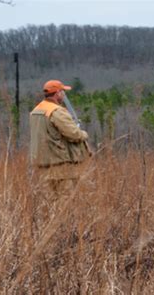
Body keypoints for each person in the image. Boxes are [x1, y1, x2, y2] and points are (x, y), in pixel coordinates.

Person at [29, 80, 91, 216]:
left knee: (47, 205)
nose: (63, 95)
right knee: (65, 204)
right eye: (63, 92)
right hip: (60, 166)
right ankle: (64, 233)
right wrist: (83, 134)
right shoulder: (57, 112)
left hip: (42, 165)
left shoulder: (36, 111)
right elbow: (73, 134)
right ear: (57, 93)